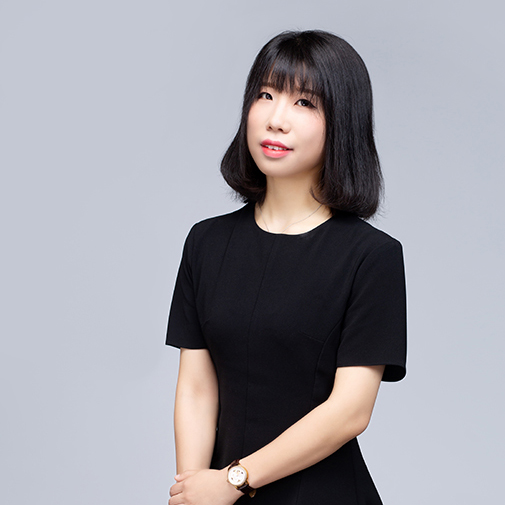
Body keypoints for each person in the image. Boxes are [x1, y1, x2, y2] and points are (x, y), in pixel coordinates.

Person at [166, 30, 407, 505]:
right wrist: (194, 491)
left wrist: (235, 480)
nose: (276, 119)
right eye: (266, 95)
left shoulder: (371, 256)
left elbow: (350, 411)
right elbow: (195, 389)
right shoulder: (206, 243)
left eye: (304, 103)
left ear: (342, 123)